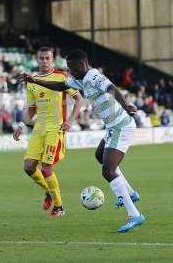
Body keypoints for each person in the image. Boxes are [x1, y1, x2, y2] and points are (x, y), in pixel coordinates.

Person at [18, 49, 144, 232]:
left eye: (71, 67)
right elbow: (60, 86)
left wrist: (125, 106)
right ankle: (130, 193)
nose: (69, 71)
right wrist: (35, 80)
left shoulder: (93, 77)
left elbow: (112, 89)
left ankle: (134, 215)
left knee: (108, 171)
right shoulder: (78, 79)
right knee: (100, 156)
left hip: (121, 126)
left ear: (82, 65)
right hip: (112, 127)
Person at [13, 47, 83, 218]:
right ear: (37, 60)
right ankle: (49, 191)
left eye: (48, 58)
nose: (44, 61)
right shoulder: (32, 80)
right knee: (28, 167)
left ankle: (59, 207)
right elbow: (31, 108)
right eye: (42, 58)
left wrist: (70, 121)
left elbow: (79, 99)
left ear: (53, 60)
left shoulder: (62, 77)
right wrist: (22, 125)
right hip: (38, 129)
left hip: (55, 128)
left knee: (46, 167)